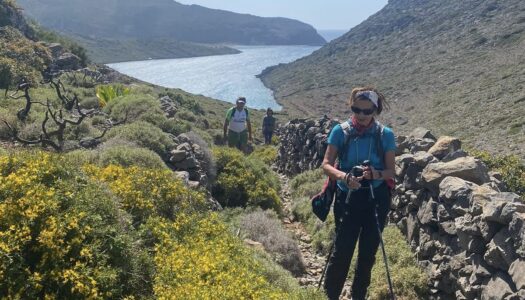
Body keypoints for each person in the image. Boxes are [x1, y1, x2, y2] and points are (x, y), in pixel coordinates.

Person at [321, 87, 396, 300]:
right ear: (351, 107)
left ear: (375, 109)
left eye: (367, 111)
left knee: (367, 255)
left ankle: (358, 296)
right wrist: (345, 177)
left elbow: (391, 171)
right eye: (357, 110)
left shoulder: (385, 135)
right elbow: (326, 165)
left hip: (376, 199)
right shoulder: (340, 131)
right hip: (347, 198)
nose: (361, 115)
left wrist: (374, 174)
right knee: (342, 252)